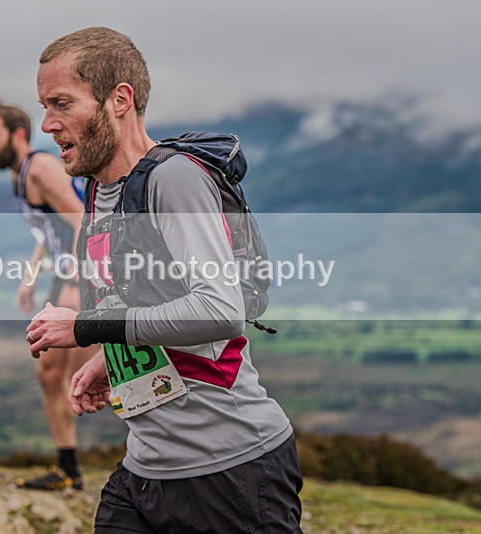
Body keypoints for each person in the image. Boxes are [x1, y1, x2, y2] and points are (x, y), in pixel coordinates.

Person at [25, 27, 303, 532]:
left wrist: (87, 328)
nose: (47, 124)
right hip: (147, 469)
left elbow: (219, 311)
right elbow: (144, 306)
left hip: (231, 468)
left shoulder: (173, 178)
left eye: (62, 103)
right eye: (44, 106)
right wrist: (113, 361)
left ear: (119, 100)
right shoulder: (98, 194)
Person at [0, 101, 96, 490]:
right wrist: (31, 277)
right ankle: (69, 469)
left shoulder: (41, 169)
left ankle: (161, 461)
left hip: (84, 273)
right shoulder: (20, 175)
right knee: (51, 375)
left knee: (98, 376)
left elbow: (83, 218)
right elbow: (47, 233)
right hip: (66, 273)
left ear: (18, 135)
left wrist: (75, 278)